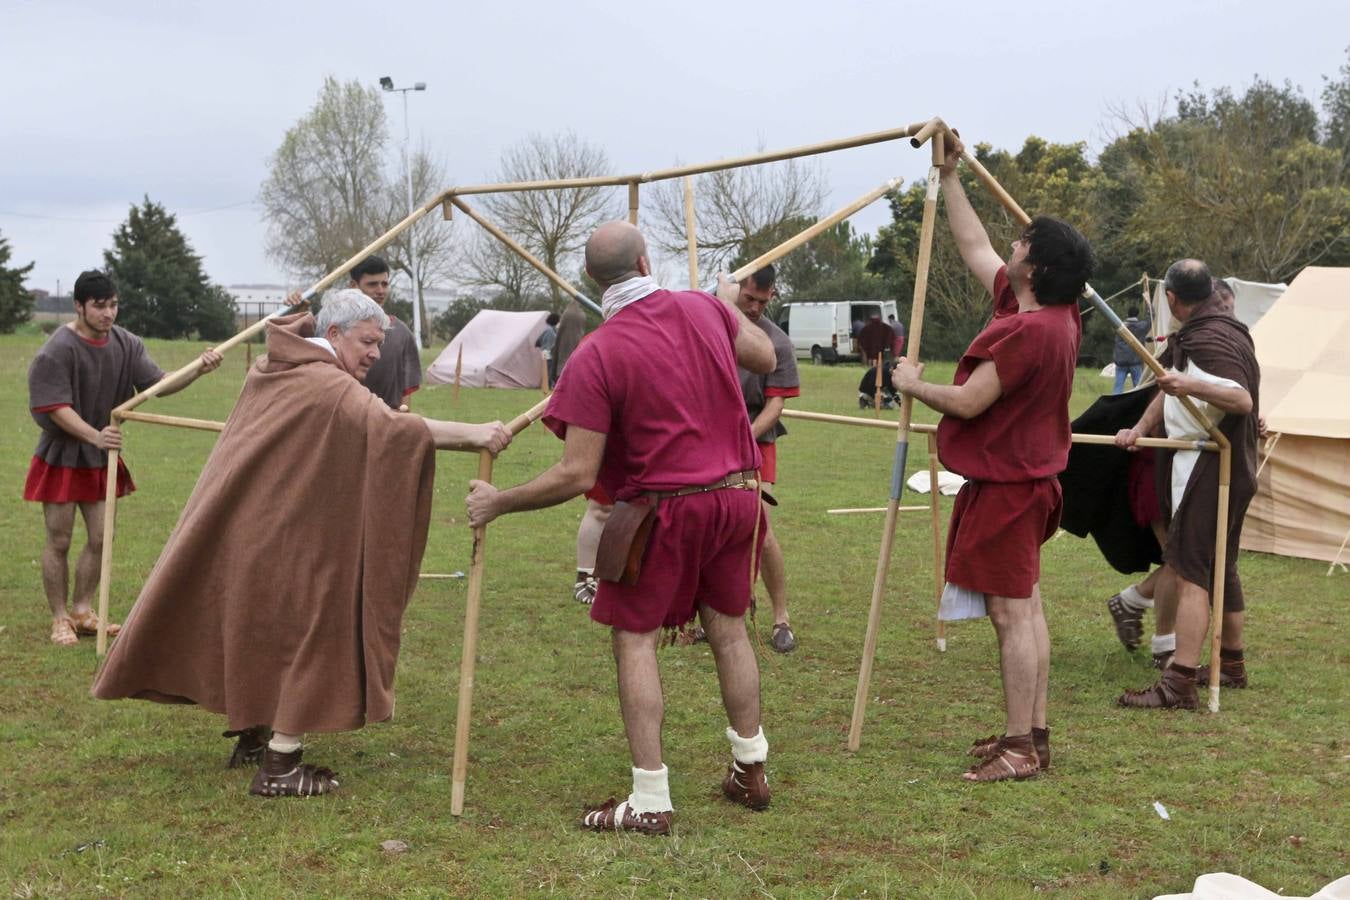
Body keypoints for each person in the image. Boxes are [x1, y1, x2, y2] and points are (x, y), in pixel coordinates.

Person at [93, 289, 512, 797]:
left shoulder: (276, 366)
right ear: (333, 334)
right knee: (315, 626)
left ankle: (255, 732)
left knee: (261, 627)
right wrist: (474, 433)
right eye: (367, 341)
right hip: (283, 538)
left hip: (255, 529)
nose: (376, 354)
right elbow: (390, 428)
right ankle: (280, 765)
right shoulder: (323, 383)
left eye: (380, 343)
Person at [465, 220, 776, 834]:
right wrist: (722, 305)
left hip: (668, 507)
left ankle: (651, 801)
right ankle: (750, 766)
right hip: (740, 497)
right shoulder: (702, 310)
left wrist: (499, 501)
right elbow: (763, 356)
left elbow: (577, 474)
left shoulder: (595, 355)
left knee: (634, 638)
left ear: (589, 278)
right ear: (646, 260)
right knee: (730, 629)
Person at [891, 137, 1091, 782]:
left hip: (1011, 488)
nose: (1013, 246)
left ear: (1034, 268)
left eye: (1024, 245)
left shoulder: (1032, 331)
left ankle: (1020, 748)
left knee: (1012, 614)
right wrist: (950, 178)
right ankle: (1031, 733)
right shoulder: (1053, 313)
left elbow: (972, 402)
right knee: (1026, 609)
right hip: (1027, 482)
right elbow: (977, 247)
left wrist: (910, 382)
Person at [26, 269, 221, 647]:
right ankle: (59, 618)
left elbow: (159, 386)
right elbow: (55, 408)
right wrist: (94, 435)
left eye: (113, 305)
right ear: (79, 305)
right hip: (63, 454)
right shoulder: (57, 349)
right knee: (60, 539)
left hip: (100, 454)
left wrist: (199, 368)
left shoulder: (126, 343)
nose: (109, 314)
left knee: (101, 538)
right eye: (100, 306)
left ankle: (82, 611)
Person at [1117, 263, 1260, 708]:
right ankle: (1231, 664)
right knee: (1221, 566)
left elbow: (1240, 398)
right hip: (1221, 464)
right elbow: (1168, 387)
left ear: (1172, 299)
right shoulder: (1215, 332)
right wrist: (1140, 426)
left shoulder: (1209, 337)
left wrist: (1189, 382)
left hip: (1207, 464)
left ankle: (1178, 682)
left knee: (1192, 570)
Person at [734, 264, 801, 652]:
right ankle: (726, 609)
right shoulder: (711, 327)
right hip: (712, 438)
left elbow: (776, 406)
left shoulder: (778, 343)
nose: (756, 307)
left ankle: (781, 619)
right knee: (716, 526)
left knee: (760, 527)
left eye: (763, 300)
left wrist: (744, 435)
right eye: (748, 299)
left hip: (755, 438)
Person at [288, 255, 421, 410]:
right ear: (353, 286)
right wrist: (296, 313)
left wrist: (403, 423)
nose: (380, 291)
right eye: (372, 284)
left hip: (383, 425)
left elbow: (405, 392)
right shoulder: (329, 323)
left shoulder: (401, 333)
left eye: (384, 284)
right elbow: (291, 352)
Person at [1112, 304, 1154, 393]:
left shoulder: (1119, 326)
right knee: (1137, 387)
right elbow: (1151, 318)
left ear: (1128, 314)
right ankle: (1138, 404)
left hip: (1121, 362)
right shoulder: (1141, 327)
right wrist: (1148, 304)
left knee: (1118, 388)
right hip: (1135, 362)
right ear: (1137, 314)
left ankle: (1115, 405)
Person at [536, 312, 560, 386]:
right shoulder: (550, 330)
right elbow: (539, 342)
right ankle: (547, 385)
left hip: (546, 351)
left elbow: (538, 341)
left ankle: (548, 384)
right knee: (548, 370)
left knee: (548, 369)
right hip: (548, 352)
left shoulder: (550, 329)